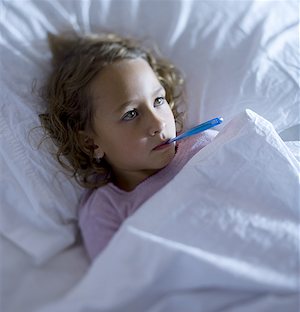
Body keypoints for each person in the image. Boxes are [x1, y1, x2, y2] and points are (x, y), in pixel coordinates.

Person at [40, 31, 217, 260]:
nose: (158, 122)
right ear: (91, 143)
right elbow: (122, 280)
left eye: (158, 100)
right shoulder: (105, 211)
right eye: (131, 113)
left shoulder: (205, 147)